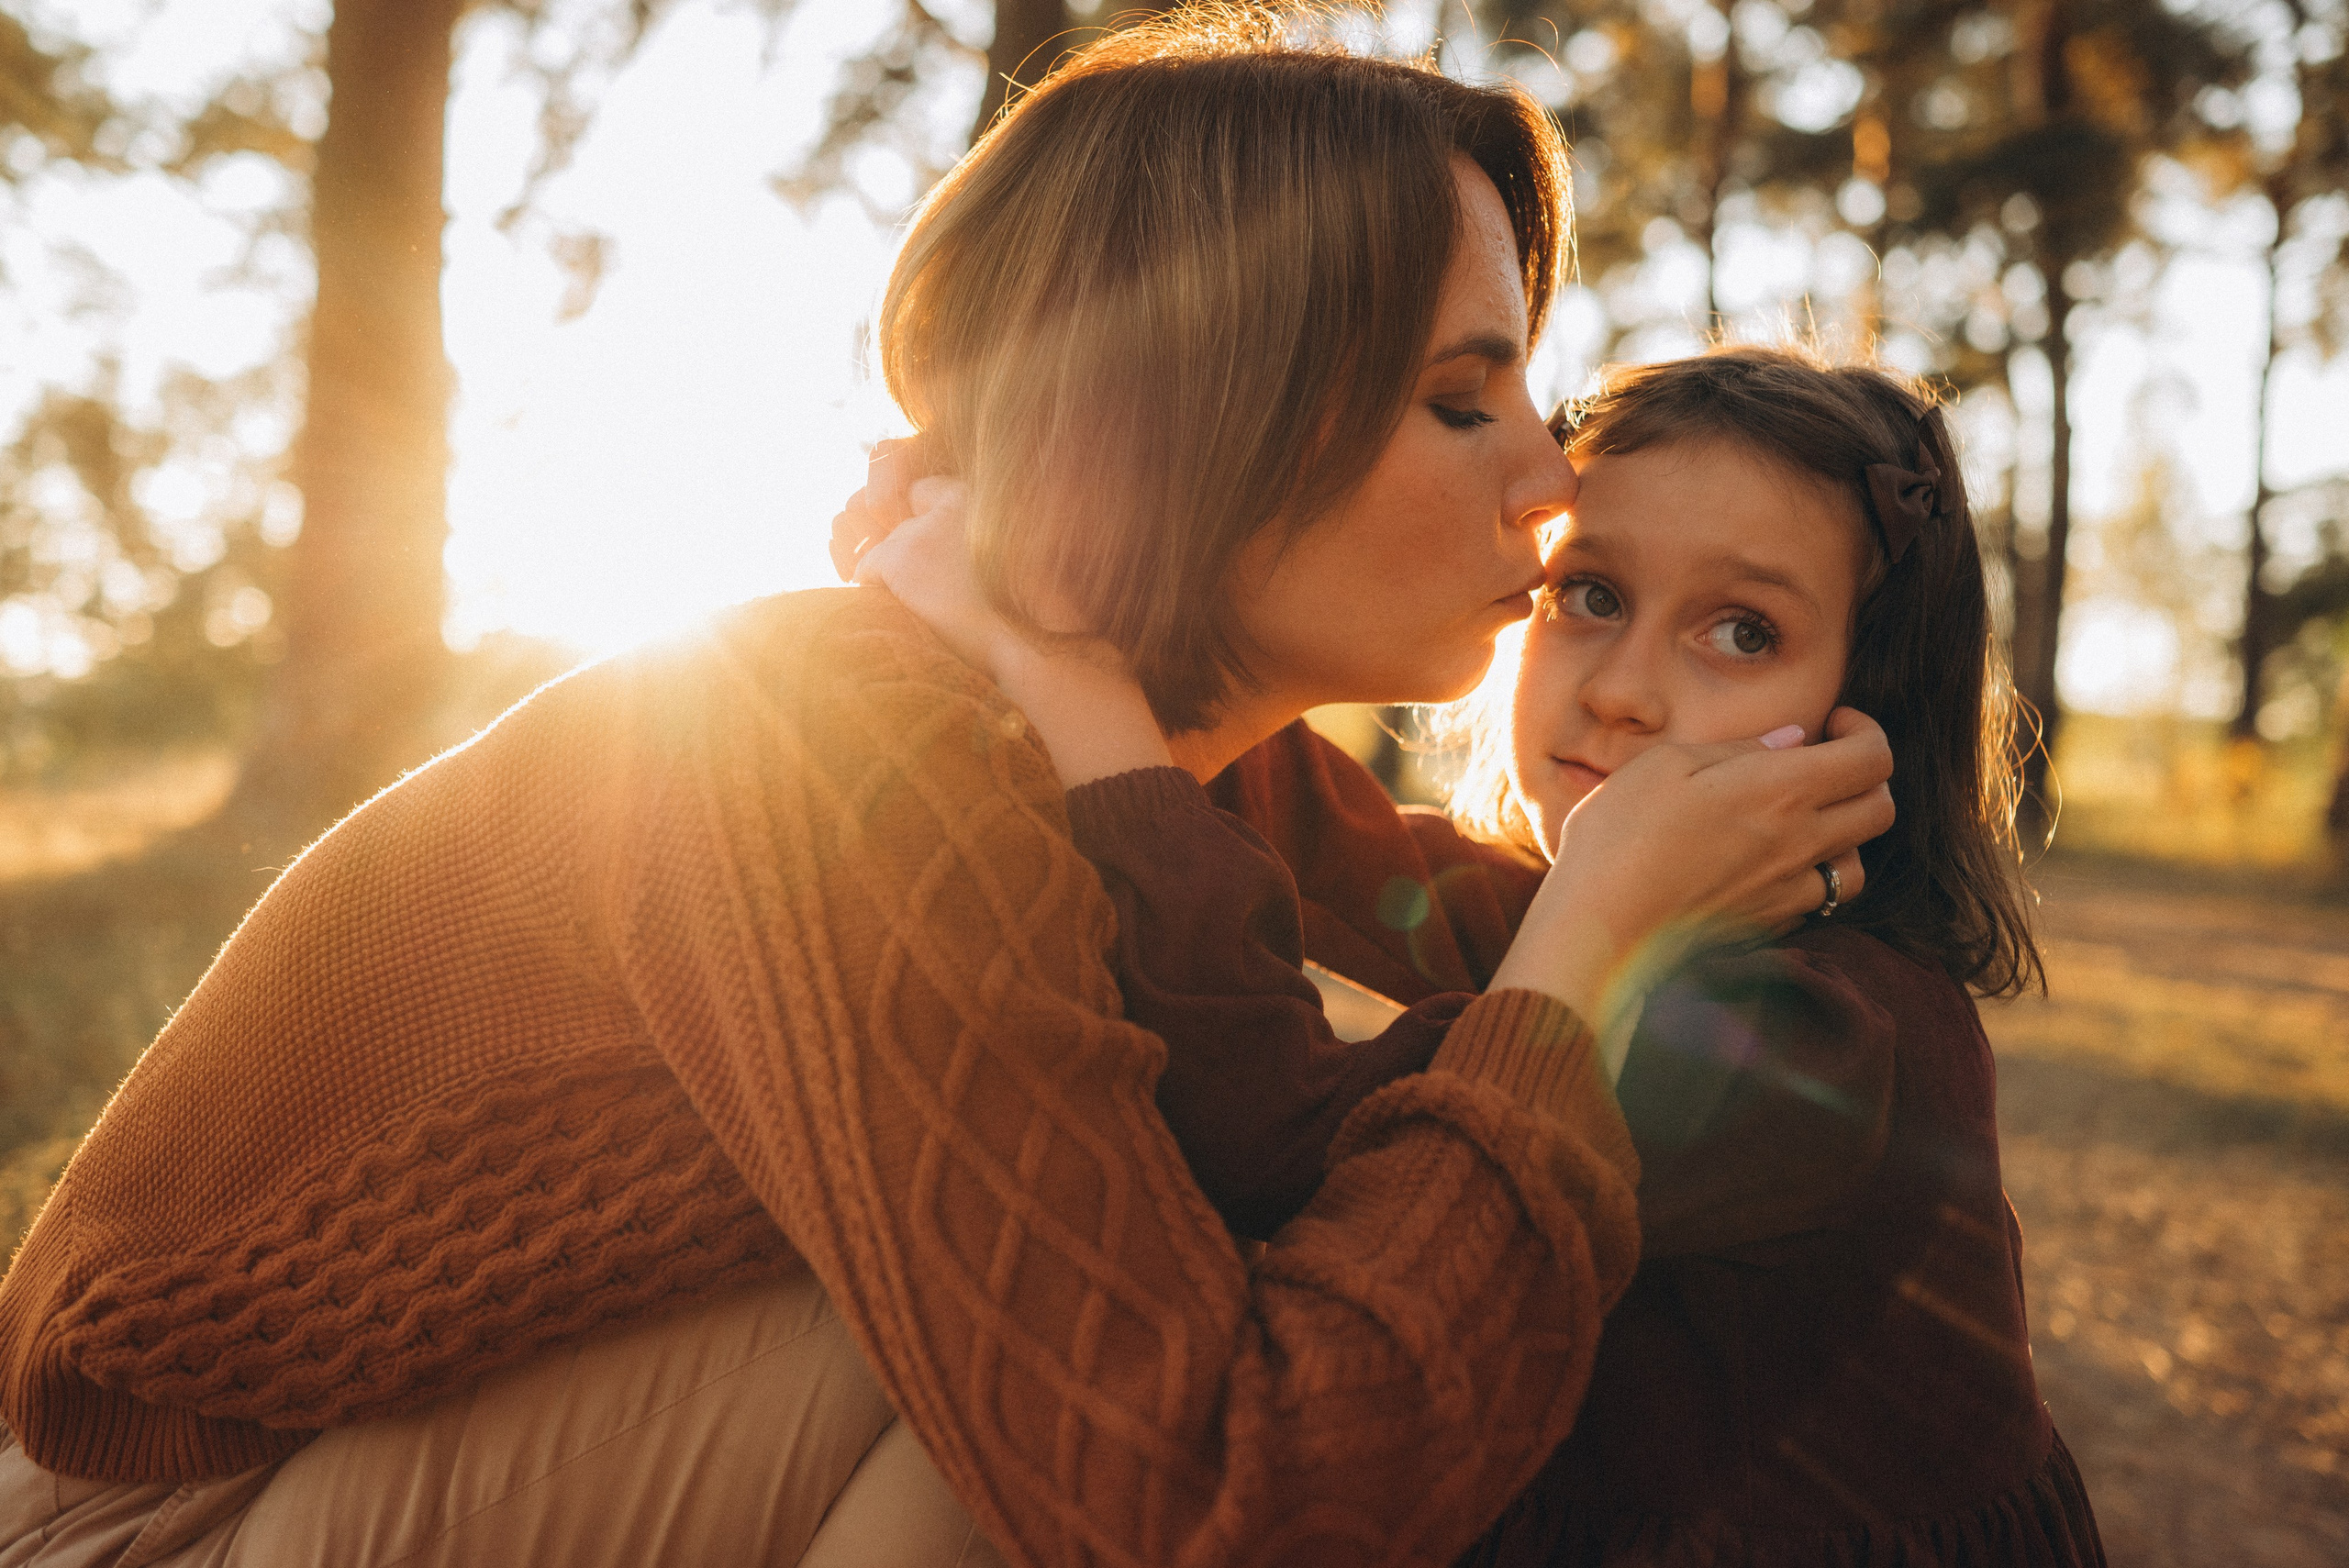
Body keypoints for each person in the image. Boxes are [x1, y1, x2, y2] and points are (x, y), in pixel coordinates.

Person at [0, 17, 1894, 1568]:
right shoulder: (838, 745)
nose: (1549, 488)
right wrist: (1578, 962)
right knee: (1055, 1408)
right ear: (1198, 414)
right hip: (157, 1520)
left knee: (1124, 1280)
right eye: (1462, 401)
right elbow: (1221, 1498)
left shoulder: (1139, 751)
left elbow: (1316, 979)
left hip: (449, 1452)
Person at [859, 344, 2102, 1564]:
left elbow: (1283, 1130)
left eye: (1742, 632)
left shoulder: (1815, 1041)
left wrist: (1071, 679)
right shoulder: (1625, 912)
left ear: (1866, 724)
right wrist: (1063, 564)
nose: (1622, 689)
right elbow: (1334, 841)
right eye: (1592, 594)